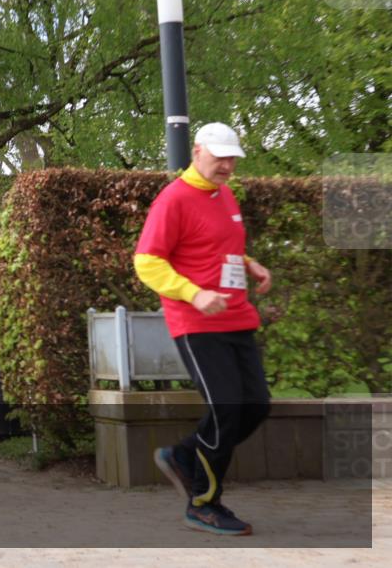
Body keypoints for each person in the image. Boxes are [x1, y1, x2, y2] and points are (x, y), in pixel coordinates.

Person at [134, 122, 272, 537]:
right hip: (197, 322)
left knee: (256, 406)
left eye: (232, 158)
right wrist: (193, 294)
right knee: (227, 409)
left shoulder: (224, 194)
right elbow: (147, 261)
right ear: (197, 152)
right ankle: (203, 503)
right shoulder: (173, 199)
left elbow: (218, 244)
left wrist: (249, 263)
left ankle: (183, 455)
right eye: (220, 156)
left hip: (237, 317)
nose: (227, 165)